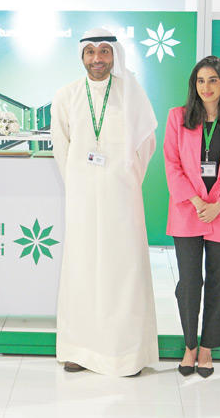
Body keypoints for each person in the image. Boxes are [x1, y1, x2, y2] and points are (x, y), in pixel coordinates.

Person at [50, 27, 158, 377]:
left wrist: (126, 179)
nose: (97, 59)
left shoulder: (131, 92)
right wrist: (80, 183)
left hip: (122, 196)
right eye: (91, 52)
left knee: (123, 268)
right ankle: (79, 350)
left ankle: (125, 354)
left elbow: (146, 142)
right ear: (82, 56)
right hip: (82, 196)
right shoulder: (66, 95)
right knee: (82, 267)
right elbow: (61, 146)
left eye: (104, 52)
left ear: (114, 55)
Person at [163, 56, 220, 378]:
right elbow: (172, 164)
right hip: (188, 211)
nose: (206, 87)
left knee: (218, 283)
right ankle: (190, 344)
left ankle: (207, 347)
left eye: (213, 80)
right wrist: (196, 200)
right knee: (190, 282)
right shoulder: (178, 117)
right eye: (200, 81)